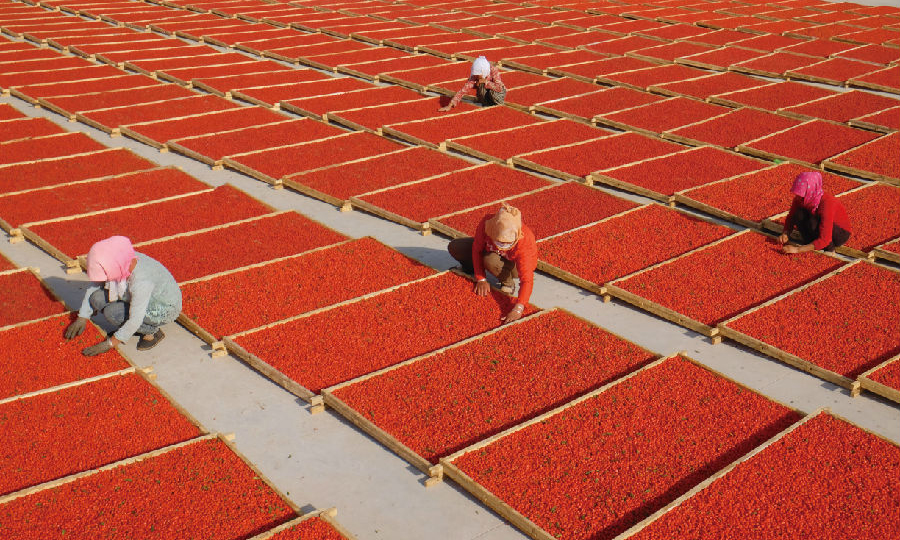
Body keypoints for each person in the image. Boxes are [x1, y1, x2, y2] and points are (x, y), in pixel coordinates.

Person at [64, 236, 182, 356]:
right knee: (96, 298)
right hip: (138, 296)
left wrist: (109, 343)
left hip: (163, 307)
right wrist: (82, 316)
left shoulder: (141, 281)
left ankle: (152, 332)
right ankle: (127, 328)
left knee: (112, 313)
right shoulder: (122, 258)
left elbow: (136, 318)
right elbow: (96, 284)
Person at [447, 202, 536, 324]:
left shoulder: (524, 242)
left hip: (514, 265)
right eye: (499, 241)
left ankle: (508, 283)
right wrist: (481, 279)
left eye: (506, 243)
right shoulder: (486, 224)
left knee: (490, 260)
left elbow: (527, 279)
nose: (502, 245)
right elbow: (476, 249)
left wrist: (519, 308)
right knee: (456, 247)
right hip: (493, 253)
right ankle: (470, 267)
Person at [778, 171, 851, 254]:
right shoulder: (799, 199)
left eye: (802, 194)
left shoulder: (827, 203)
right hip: (817, 223)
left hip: (840, 233)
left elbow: (825, 238)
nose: (798, 197)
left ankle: (830, 249)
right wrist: (786, 233)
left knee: (813, 223)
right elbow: (791, 216)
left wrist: (798, 249)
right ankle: (810, 243)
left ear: (810, 191)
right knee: (799, 214)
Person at [439, 55, 506, 112]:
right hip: (487, 93)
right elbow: (464, 89)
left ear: (484, 71)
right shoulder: (475, 75)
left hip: (498, 92)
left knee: (491, 91)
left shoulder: (493, 70)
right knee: (480, 84)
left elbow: (499, 88)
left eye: (478, 74)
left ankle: (496, 104)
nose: (477, 76)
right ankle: (486, 102)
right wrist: (449, 105)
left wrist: (485, 81)